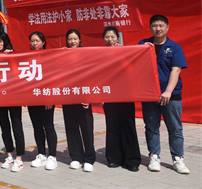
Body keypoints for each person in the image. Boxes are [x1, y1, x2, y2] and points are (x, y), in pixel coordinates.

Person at [140, 15, 189, 174]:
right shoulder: (143, 44)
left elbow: (176, 70)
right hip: (150, 95)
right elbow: (133, 62)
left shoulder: (174, 47)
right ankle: (154, 157)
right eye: (155, 25)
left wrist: (168, 91)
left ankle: (178, 159)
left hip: (171, 96)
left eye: (161, 25)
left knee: (175, 128)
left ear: (167, 27)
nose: (158, 29)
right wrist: (141, 50)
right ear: (150, 27)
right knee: (151, 127)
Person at [100, 26, 141, 172]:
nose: (109, 39)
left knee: (128, 126)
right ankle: (114, 158)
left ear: (118, 38)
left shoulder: (126, 52)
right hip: (109, 95)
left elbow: (133, 69)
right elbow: (98, 76)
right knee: (112, 126)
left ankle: (132, 160)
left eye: (112, 36)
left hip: (126, 95)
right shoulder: (99, 54)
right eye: (107, 37)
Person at [62, 29, 95, 172]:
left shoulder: (86, 54)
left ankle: (89, 159)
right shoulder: (62, 55)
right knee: (71, 128)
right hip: (68, 97)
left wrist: (89, 97)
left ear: (80, 40)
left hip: (84, 97)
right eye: (70, 39)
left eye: (75, 39)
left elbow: (92, 76)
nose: (72, 42)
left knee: (87, 129)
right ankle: (76, 157)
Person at [0, 32, 25, 172]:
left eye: (1, 41)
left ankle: (19, 158)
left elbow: (20, 74)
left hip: (13, 97)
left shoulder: (13, 55)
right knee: (4, 127)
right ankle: (10, 155)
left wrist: (12, 56)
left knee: (17, 126)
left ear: (6, 42)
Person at [27, 31, 58, 171]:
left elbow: (53, 78)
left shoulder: (49, 56)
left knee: (48, 126)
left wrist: (50, 97)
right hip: (33, 98)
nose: (34, 43)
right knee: (37, 127)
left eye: (37, 41)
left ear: (43, 42)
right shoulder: (27, 57)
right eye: (32, 41)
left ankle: (52, 156)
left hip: (46, 98)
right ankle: (41, 154)